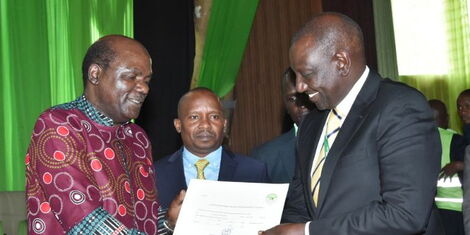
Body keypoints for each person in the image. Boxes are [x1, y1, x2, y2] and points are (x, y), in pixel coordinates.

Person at [261, 12, 442, 234]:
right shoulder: (312, 122)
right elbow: (301, 207)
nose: (299, 87)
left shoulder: (400, 107)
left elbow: (404, 214)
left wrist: (308, 232)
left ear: (341, 62)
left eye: (306, 74)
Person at [25, 35, 159, 234]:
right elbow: (86, 222)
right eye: (132, 77)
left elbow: (145, 220)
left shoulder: (137, 137)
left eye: (147, 80)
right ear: (95, 74)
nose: (144, 88)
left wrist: (170, 221)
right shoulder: (57, 125)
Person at [154, 87, 270, 232]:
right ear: (178, 125)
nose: (205, 125)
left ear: (225, 124)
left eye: (214, 116)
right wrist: (169, 224)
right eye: (194, 117)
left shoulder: (253, 171)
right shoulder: (155, 174)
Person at [251, 67, 314, 183]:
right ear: (285, 106)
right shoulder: (264, 158)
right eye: (292, 98)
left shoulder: (345, 141)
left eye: (306, 95)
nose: (301, 104)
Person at [429, 99, 465, 235]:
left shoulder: (413, 141)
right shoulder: (456, 140)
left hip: (432, 212)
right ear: (447, 119)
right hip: (458, 211)